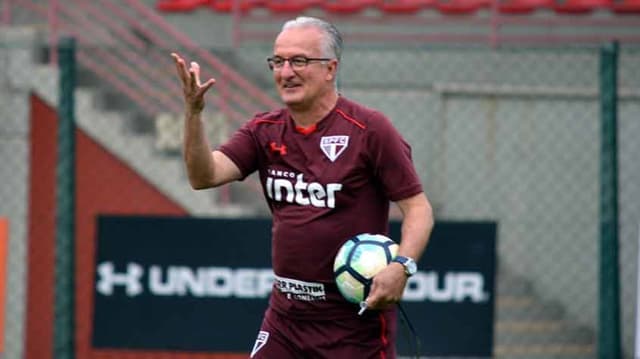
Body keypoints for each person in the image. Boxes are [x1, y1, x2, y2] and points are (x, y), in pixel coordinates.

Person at [171, 16, 434, 359]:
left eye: (299, 61)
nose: (286, 72)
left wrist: (402, 267)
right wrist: (193, 114)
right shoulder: (263, 131)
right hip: (286, 319)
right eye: (278, 61)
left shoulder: (369, 129)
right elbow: (203, 176)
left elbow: (418, 209)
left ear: (330, 68)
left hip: (354, 325)